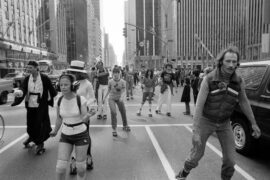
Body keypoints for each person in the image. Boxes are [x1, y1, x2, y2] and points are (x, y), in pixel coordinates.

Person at [175, 46, 261, 180]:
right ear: (221, 61)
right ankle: (184, 172)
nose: (231, 65)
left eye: (234, 62)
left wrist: (254, 123)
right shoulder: (209, 79)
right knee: (196, 155)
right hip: (206, 121)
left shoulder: (238, 82)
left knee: (230, 161)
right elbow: (199, 105)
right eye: (228, 61)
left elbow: (244, 103)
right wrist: (196, 130)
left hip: (224, 123)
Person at [50, 74, 95, 180]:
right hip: (65, 135)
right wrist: (55, 131)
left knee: (81, 168)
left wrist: (88, 114)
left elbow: (84, 119)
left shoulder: (81, 99)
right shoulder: (59, 100)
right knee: (60, 167)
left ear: (73, 86)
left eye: (66, 84)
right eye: (61, 85)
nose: (63, 87)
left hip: (81, 135)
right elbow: (59, 118)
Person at [12, 61, 57, 154]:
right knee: (30, 123)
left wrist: (53, 97)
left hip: (41, 104)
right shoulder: (27, 78)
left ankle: (40, 142)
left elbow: (52, 89)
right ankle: (31, 137)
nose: (28, 69)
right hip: (30, 104)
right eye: (27, 67)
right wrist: (19, 94)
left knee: (40, 123)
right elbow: (23, 89)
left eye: (30, 67)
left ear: (37, 68)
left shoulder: (44, 78)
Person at [66, 60, 96, 172]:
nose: (73, 73)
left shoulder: (87, 83)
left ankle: (88, 156)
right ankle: (73, 161)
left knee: (85, 136)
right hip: (70, 114)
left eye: (75, 72)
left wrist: (83, 104)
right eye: (72, 71)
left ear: (80, 72)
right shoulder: (68, 82)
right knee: (72, 137)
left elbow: (92, 98)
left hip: (83, 113)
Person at [103, 67, 131, 137]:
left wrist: (122, 97)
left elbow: (124, 90)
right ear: (112, 74)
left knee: (123, 111)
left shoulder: (123, 82)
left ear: (119, 73)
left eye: (117, 73)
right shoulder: (110, 81)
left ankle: (125, 125)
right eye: (114, 73)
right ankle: (114, 129)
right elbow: (108, 89)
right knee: (113, 112)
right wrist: (105, 97)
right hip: (111, 98)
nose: (115, 75)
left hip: (119, 98)